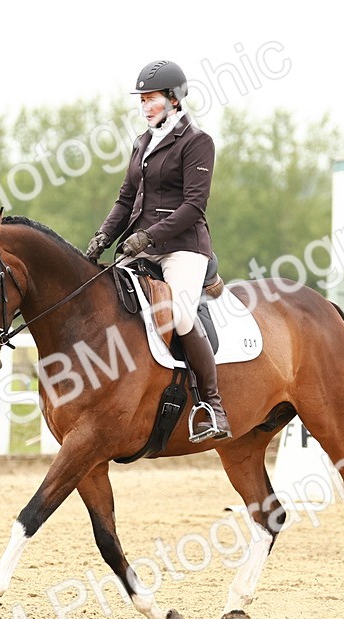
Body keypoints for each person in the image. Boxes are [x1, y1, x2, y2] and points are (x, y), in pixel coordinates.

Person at [84, 59, 231, 443]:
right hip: (141, 246)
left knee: (179, 314)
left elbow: (193, 206)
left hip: (182, 248)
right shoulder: (142, 143)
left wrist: (147, 237)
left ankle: (212, 405)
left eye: (151, 99)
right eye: (142, 100)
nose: (145, 106)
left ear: (174, 99)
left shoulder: (197, 142)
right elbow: (125, 200)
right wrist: (103, 237)